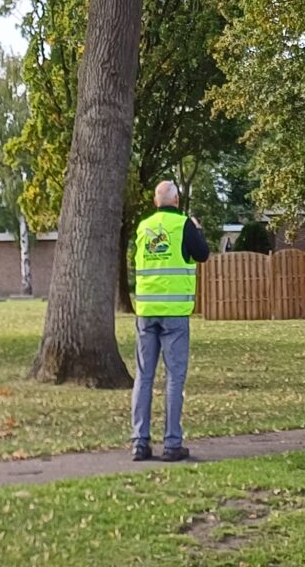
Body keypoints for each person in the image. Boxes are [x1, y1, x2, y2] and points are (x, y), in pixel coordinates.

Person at [131, 179, 211, 462]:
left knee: (144, 376)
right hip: (175, 315)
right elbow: (202, 254)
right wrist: (198, 229)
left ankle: (140, 442)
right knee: (174, 378)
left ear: (156, 202)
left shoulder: (143, 227)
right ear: (177, 201)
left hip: (146, 312)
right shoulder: (184, 225)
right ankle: (172, 444)